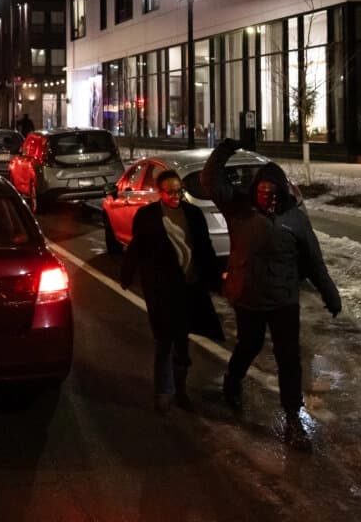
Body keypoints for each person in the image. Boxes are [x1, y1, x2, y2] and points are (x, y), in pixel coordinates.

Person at [202, 138, 342, 450]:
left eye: (273, 193)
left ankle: (293, 419)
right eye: (262, 192)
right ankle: (232, 381)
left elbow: (314, 261)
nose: (267, 198)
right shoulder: (239, 210)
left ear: (282, 193)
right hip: (249, 297)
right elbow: (210, 180)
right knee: (249, 345)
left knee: (288, 359)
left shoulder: (295, 220)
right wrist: (225, 149)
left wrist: (330, 294)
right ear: (255, 191)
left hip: (283, 300)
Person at [120, 170, 224, 414]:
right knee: (164, 342)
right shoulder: (148, 216)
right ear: (160, 192)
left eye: (179, 191)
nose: (176, 196)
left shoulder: (193, 214)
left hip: (189, 287)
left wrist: (216, 280)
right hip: (162, 290)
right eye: (170, 192)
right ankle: (163, 392)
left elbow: (204, 248)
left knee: (182, 341)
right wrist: (127, 274)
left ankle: (181, 390)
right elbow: (137, 248)